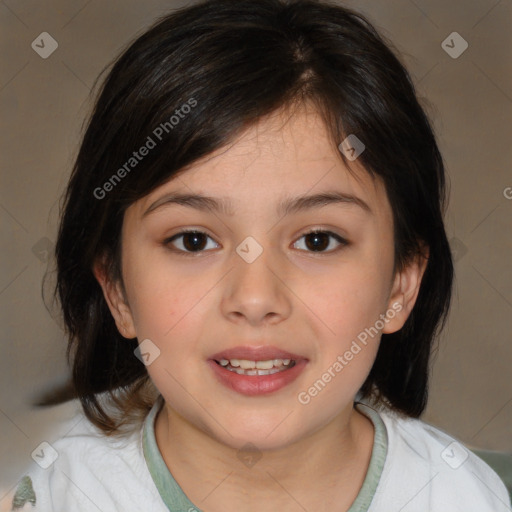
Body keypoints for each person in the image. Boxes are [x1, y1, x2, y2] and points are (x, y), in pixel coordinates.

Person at [11, 0, 511, 510]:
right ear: (116, 289)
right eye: (193, 240)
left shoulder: (460, 496)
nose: (254, 299)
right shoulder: (56, 493)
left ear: (401, 284)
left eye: (317, 240)